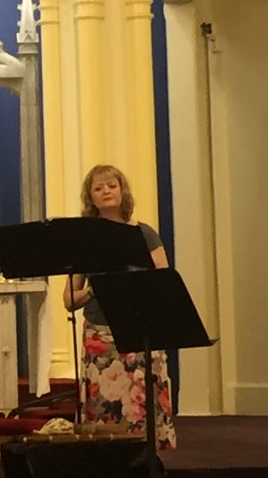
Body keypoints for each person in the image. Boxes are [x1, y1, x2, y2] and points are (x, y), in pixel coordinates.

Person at [62, 164, 176, 448]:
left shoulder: (144, 233)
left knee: (142, 400)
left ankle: (145, 455)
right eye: (98, 188)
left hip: (140, 329)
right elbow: (69, 300)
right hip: (100, 334)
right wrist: (94, 289)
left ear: (122, 191)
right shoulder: (85, 242)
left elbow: (165, 281)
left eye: (112, 185)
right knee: (105, 406)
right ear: (91, 198)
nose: (106, 191)